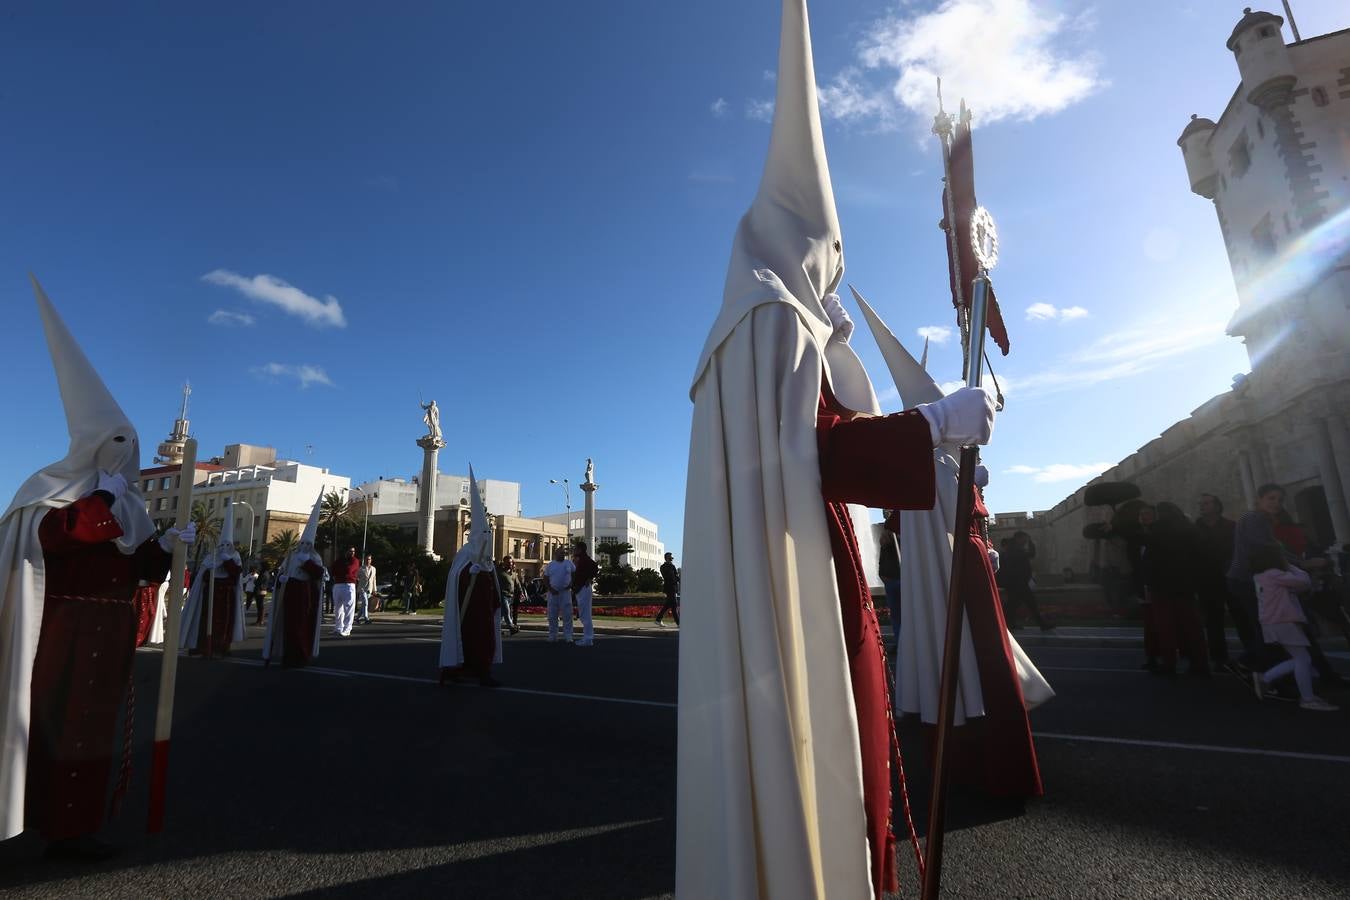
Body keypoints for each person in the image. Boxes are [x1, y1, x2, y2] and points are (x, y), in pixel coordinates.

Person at [677, 6, 1000, 895]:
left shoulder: (747, 327)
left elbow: (800, 446)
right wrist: (935, 427)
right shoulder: (773, 319)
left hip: (805, 574)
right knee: (828, 759)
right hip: (804, 584)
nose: (832, 269)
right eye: (830, 251)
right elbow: (820, 450)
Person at [0, 277, 197, 857]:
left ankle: (76, 828)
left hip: (108, 635)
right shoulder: (51, 492)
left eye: (130, 442)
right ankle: (36, 820)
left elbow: (144, 568)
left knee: (92, 733)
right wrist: (103, 500)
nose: (128, 453)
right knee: (50, 727)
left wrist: (172, 545)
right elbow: (57, 539)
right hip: (57, 634)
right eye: (117, 441)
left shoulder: (130, 504)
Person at [854, 297, 1052, 802]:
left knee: (984, 656)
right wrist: (963, 484)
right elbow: (928, 521)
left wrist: (972, 486)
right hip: (951, 574)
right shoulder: (934, 461)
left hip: (966, 568)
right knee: (971, 658)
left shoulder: (946, 460)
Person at [1249, 544, 1339, 711]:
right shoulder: (1275, 575)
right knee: (1302, 658)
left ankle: (1265, 678)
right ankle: (1307, 698)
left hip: (1272, 622)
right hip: (1284, 621)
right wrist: (1291, 566)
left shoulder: (1259, 576)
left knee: (1300, 658)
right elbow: (1303, 581)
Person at [440, 468, 502, 687]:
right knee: (465, 640)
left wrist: (496, 602)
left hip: (483, 612)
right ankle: (456, 668)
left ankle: (483, 670)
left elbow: (494, 583)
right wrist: (469, 571)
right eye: (483, 534)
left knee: (484, 641)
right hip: (466, 613)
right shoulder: (465, 554)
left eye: (489, 534)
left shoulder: (487, 558)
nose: (487, 538)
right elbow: (456, 576)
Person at [1141, 502, 1208, 676]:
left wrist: (1149, 583)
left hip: (1161, 587)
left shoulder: (1155, 532)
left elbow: (1149, 561)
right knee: (1192, 626)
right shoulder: (1190, 530)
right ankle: (1200, 664)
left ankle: (1169, 664)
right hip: (1186, 585)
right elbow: (1201, 556)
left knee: (1166, 628)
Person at [262, 492, 325, 667]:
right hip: (289, 592)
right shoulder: (291, 556)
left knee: (301, 626)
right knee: (288, 625)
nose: (304, 547)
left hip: (305, 594)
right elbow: (282, 571)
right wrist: (281, 578)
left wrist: (308, 564)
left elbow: (319, 575)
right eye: (302, 544)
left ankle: (300, 655)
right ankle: (285, 655)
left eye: (308, 544)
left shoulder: (314, 558)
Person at [179, 500, 245, 658]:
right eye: (222, 545)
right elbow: (204, 575)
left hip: (227, 596)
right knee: (204, 621)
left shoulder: (234, 557)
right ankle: (202, 645)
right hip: (210, 595)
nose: (225, 548)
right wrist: (213, 567)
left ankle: (222, 646)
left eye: (228, 545)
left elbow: (236, 574)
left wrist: (227, 561)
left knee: (225, 622)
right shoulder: (212, 557)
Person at [1195, 493, 1239, 670]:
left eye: (1206, 503)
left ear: (1217, 505)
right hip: (1207, 580)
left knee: (1241, 615)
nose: (1202, 506)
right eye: (1201, 504)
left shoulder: (1231, 526)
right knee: (1213, 620)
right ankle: (1219, 657)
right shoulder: (1194, 529)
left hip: (1231, 576)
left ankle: (1253, 654)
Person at [877, 514, 901, 652]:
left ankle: (900, 642)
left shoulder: (889, 542)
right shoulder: (889, 542)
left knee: (896, 615)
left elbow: (882, 562)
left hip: (892, 580)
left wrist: (882, 575)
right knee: (899, 614)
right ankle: (901, 642)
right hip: (894, 581)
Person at [571, 541, 600, 647]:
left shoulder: (584, 560)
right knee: (584, 614)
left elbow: (595, 567)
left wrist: (589, 579)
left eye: (575, 548)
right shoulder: (578, 560)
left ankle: (588, 638)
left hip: (583, 588)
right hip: (580, 588)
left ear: (580, 549)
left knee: (585, 614)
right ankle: (587, 637)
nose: (574, 550)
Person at [545, 546, 574, 643]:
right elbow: (546, 578)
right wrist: (550, 589)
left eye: (563, 553)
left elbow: (574, 574)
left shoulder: (569, 563)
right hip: (553, 593)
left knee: (567, 615)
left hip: (565, 593)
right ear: (555, 554)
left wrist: (571, 584)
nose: (562, 555)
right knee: (552, 615)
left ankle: (568, 636)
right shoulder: (550, 565)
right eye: (560, 553)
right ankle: (553, 635)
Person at [330, 546, 358, 636]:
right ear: (346, 551)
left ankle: (347, 629)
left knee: (349, 608)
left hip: (349, 585)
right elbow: (332, 570)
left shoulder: (355, 560)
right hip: (338, 585)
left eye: (353, 551)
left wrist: (340, 571)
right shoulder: (339, 560)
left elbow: (349, 570)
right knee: (338, 608)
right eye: (350, 551)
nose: (352, 553)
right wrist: (342, 571)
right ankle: (338, 628)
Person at [496, 555, 523, 634]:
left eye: (511, 562)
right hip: (502, 595)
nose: (510, 564)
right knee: (507, 612)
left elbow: (517, 584)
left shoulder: (513, 573)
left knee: (501, 615)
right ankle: (512, 627)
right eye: (508, 562)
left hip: (511, 596)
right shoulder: (499, 572)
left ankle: (497, 629)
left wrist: (521, 592)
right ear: (504, 563)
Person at [656, 552, 680, 627]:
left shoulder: (672, 566)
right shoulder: (664, 567)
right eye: (670, 558)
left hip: (673, 587)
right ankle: (679, 623)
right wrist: (676, 578)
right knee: (674, 605)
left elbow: (676, 576)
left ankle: (658, 619)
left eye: (671, 558)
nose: (671, 559)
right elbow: (669, 577)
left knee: (668, 605)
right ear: (666, 558)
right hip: (669, 588)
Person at [357, 554, 376, 624]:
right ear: (365, 560)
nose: (368, 560)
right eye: (367, 559)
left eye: (369, 559)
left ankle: (357, 618)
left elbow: (374, 579)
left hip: (369, 589)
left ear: (371, 560)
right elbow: (357, 577)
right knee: (365, 602)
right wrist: (361, 581)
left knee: (364, 604)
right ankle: (366, 618)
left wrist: (374, 589)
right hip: (362, 588)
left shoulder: (374, 569)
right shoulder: (361, 568)